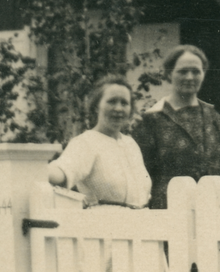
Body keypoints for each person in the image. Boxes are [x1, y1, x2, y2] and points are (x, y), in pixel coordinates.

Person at [132, 45, 220, 208]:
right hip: (168, 210)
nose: (189, 77)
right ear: (168, 74)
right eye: (182, 71)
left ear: (203, 74)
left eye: (196, 71)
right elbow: (141, 176)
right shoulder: (152, 120)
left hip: (213, 209)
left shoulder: (215, 119)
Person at [47, 75, 152, 209]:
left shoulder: (131, 144)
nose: (118, 108)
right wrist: (33, 170)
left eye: (124, 103)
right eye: (112, 101)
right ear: (96, 106)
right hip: (104, 220)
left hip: (143, 219)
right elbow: (62, 171)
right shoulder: (86, 142)